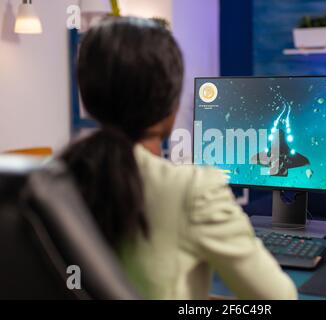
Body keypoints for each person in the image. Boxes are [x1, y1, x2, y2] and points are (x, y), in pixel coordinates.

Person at [61, 16, 297, 300]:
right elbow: (278, 297)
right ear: (169, 105)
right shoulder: (193, 189)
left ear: (87, 95)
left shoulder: (53, 178)